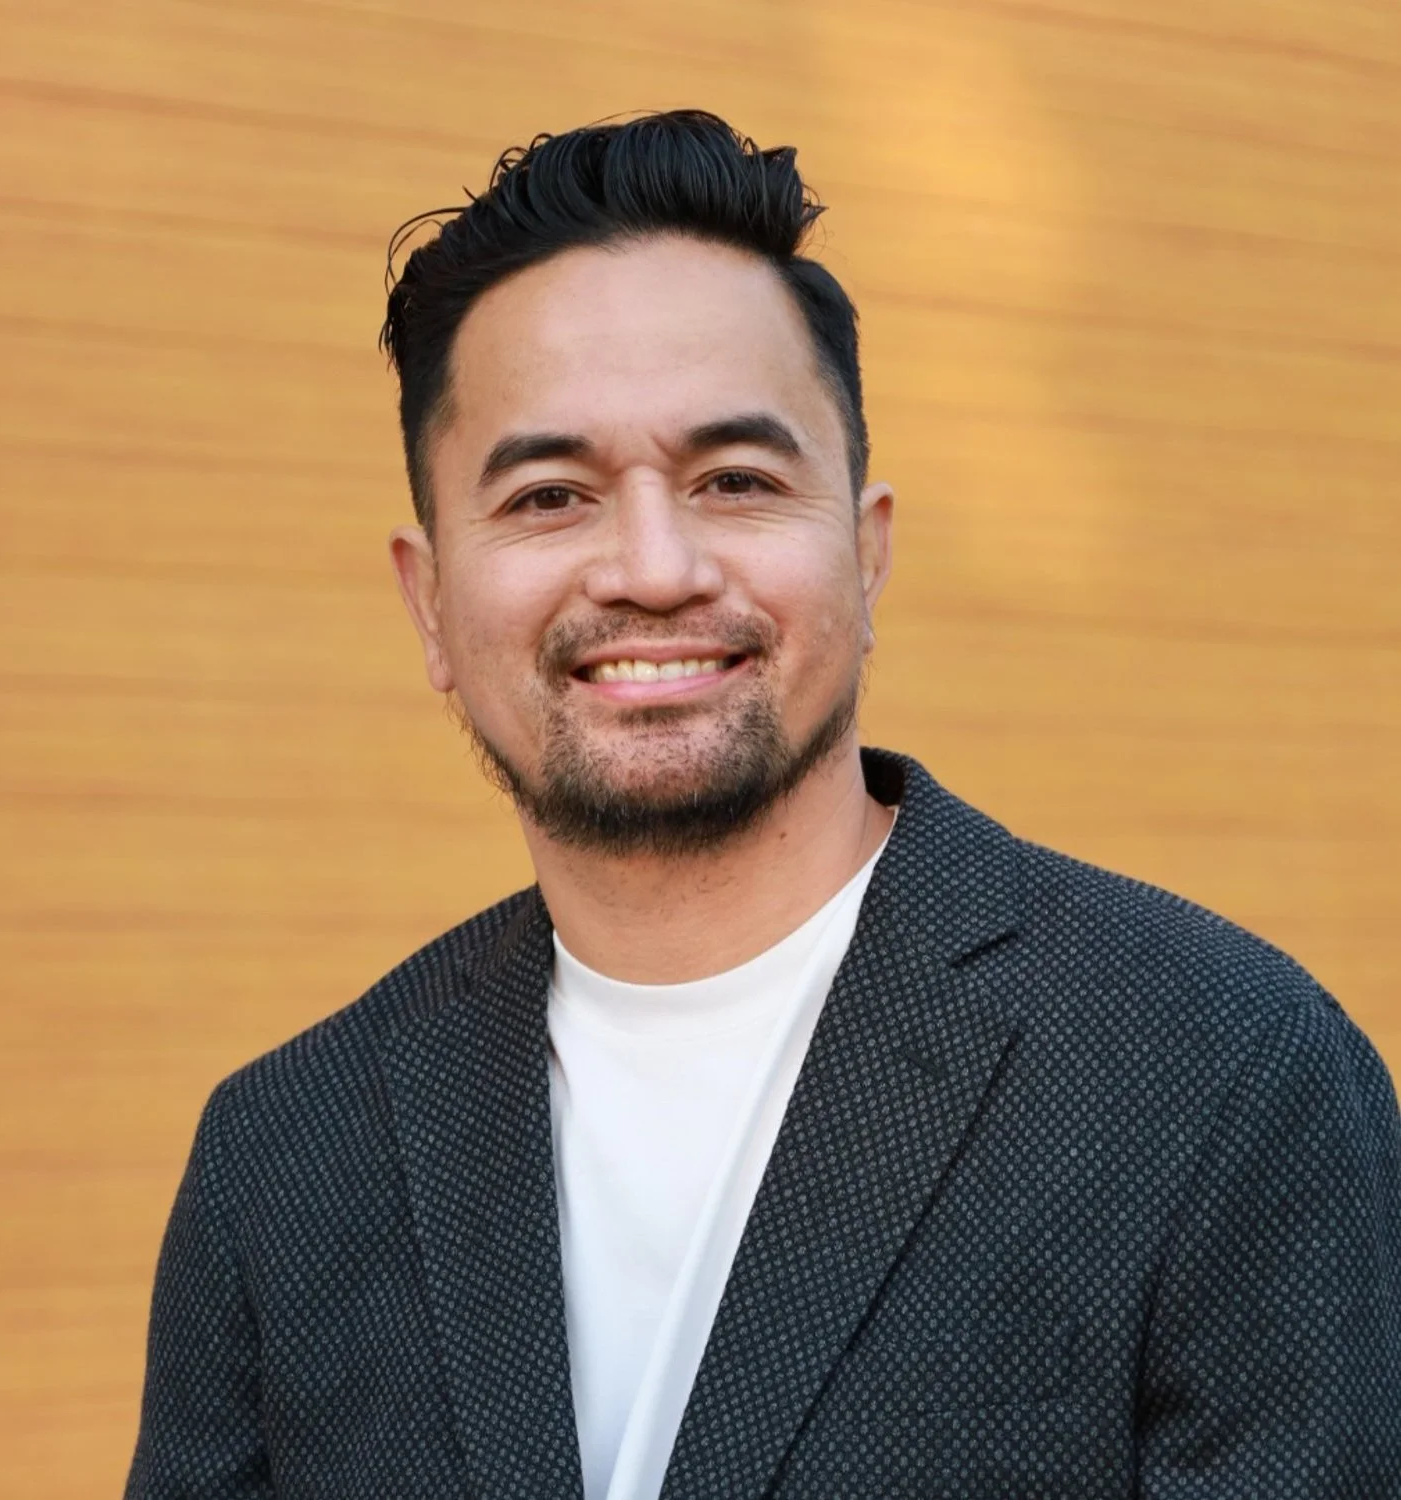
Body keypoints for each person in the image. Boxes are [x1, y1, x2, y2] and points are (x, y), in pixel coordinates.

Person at [125, 110, 1401, 1499]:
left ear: (865, 551)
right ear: (430, 604)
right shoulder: (286, 1158)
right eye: (549, 496)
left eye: (735, 480)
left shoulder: (1218, 1070)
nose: (652, 568)